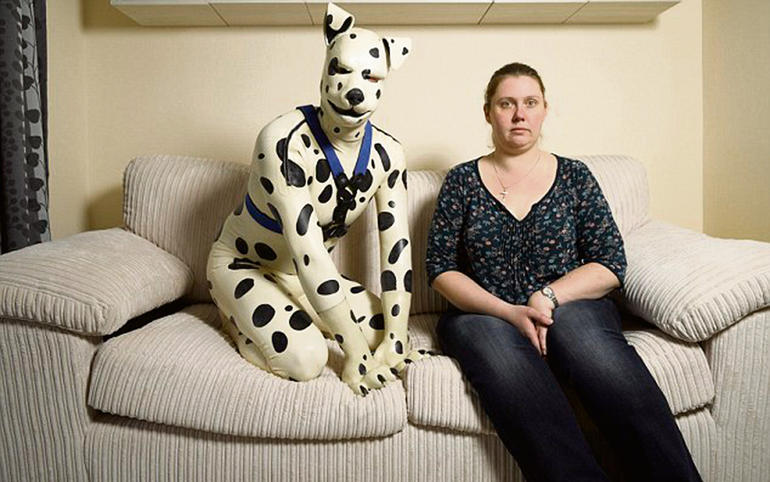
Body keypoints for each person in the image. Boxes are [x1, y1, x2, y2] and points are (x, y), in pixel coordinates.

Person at [425, 62, 702, 482]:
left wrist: (546, 297)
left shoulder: (575, 176)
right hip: (483, 314)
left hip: (570, 304)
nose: (519, 114)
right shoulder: (461, 181)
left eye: (530, 103)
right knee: (495, 350)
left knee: (583, 339)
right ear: (488, 113)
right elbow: (440, 268)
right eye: (506, 104)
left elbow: (610, 262)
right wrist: (509, 312)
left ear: (544, 110)